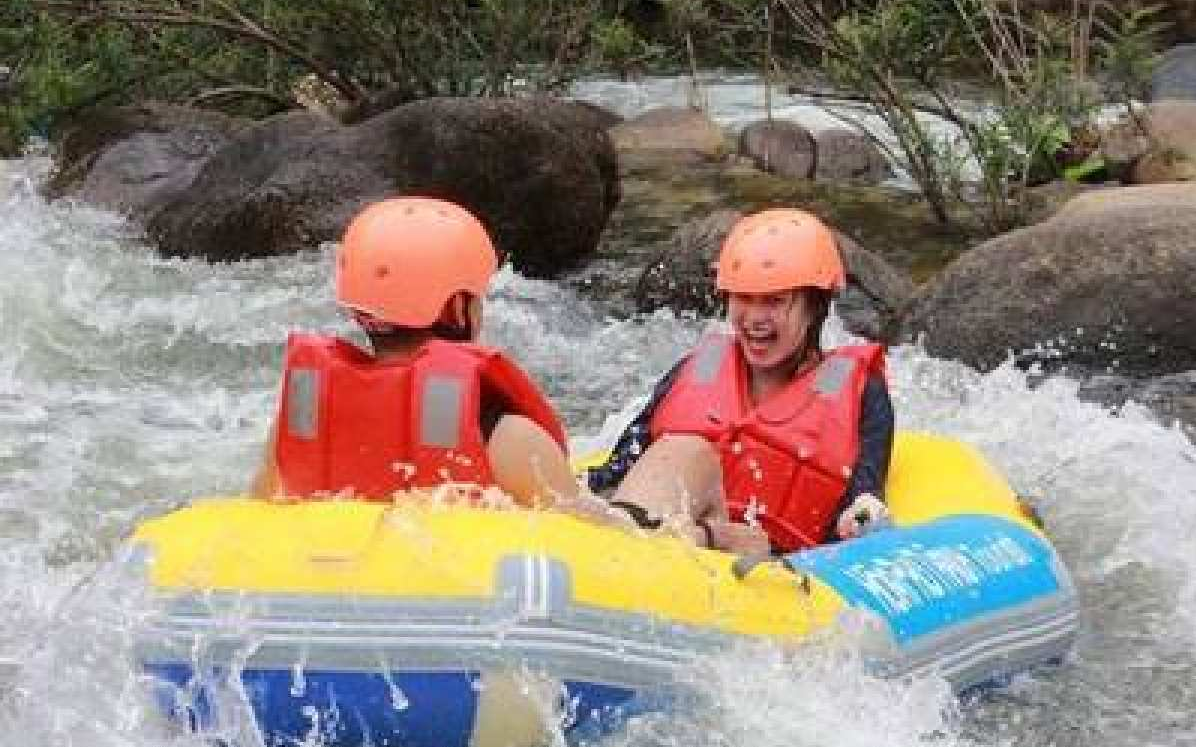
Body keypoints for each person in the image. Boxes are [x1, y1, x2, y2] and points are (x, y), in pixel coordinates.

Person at [588, 208, 895, 556]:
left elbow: (863, 496)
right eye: (743, 298)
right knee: (687, 451)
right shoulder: (693, 371)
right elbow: (620, 469)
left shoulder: (861, 394)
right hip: (681, 543)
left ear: (815, 307)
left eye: (774, 301)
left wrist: (862, 516)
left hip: (771, 570)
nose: (754, 319)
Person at [251, 196, 578, 507]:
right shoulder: (512, 441)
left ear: (360, 311)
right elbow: (595, 545)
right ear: (459, 310)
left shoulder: (302, 419)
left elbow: (257, 518)